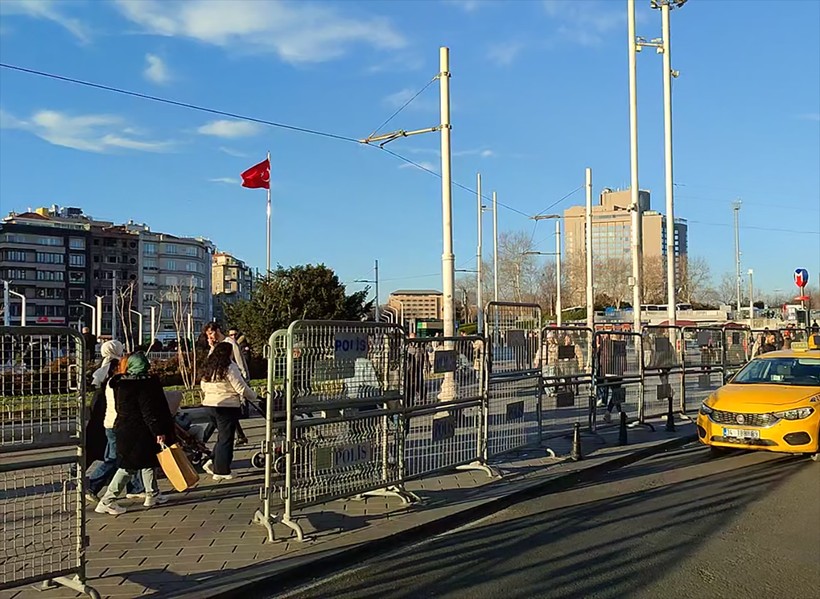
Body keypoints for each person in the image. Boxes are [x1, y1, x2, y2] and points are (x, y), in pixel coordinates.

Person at [95, 353, 175, 516]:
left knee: (147, 461)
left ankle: (152, 494)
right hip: (139, 430)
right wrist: (158, 431)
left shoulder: (119, 383)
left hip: (123, 428)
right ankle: (107, 500)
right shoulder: (144, 385)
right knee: (128, 467)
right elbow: (148, 411)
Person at [85, 341, 145, 502]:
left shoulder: (103, 368)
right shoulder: (117, 374)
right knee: (114, 457)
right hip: (115, 422)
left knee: (128, 455)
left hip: (107, 419)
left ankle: (136, 487)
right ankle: (92, 484)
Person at [200, 342, 258, 481]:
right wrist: (255, 397)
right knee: (226, 439)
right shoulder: (230, 367)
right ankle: (221, 470)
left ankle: (213, 461)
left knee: (221, 437)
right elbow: (240, 387)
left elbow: (202, 385)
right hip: (226, 405)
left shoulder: (209, 367)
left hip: (209, 405)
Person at [203, 322, 250, 446]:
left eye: (211, 333)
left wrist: (244, 381)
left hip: (231, 385)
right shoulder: (216, 345)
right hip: (219, 389)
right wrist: (211, 347)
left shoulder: (230, 343)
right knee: (226, 416)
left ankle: (203, 440)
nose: (210, 336)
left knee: (221, 417)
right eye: (208, 334)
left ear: (218, 330)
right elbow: (209, 364)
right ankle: (240, 436)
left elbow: (240, 363)